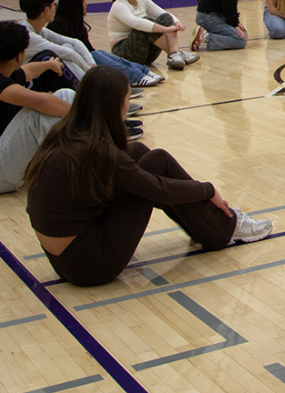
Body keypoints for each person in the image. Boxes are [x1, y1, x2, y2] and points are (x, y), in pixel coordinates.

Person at [24, 66, 272, 286]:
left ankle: (208, 225)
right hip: (90, 265)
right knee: (157, 162)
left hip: (65, 259)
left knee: (140, 152)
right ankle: (225, 227)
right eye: (126, 98)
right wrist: (207, 189)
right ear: (114, 104)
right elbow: (156, 188)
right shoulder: (98, 150)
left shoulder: (68, 131)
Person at [0, 21, 73, 194]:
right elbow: (38, 101)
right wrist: (84, 112)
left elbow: (27, 71)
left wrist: (49, 64)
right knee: (38, 114)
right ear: (20, 55)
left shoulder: (6, 72)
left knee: (65, 95)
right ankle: (69, 171)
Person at [50, 0, 164, 90]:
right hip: (77, 63)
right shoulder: (58, 26)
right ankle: (136, 77)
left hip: (87, 57)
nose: (86, 4)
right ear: (74, 5)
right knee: (99, 57)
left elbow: (88, 48)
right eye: (83, 1)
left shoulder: (76, 23)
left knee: (103, 54)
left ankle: (144, 71)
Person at [108, 0, 199, 71]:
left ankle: (175, 55)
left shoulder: (143, 1)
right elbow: (137, 23)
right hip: (123, 54)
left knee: (165, 17)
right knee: (146, 22)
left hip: (146, 54)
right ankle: (176, 54)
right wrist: (165, 29)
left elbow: (163, 14)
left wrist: (178, 23)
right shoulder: (119, 5)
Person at [18, 0, 95, 89]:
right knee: (57, 56)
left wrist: (92, 65)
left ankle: (90, 85)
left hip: (32, 77)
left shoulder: (39, 30)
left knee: (67, 46)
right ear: (46, 10)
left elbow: (74, 43)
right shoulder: (29, 36)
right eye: (53, 5)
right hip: (23, 83)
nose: (55, 7)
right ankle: (91, 86)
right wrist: (91, 73)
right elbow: (68, 53)